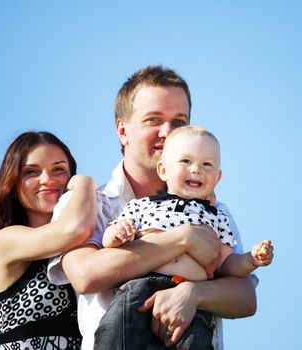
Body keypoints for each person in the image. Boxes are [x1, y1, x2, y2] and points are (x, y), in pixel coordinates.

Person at [48, 66, 258, 350]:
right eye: (154, 119)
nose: (168, 132)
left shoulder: (214, 210)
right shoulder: (89, 204)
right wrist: (182, 238)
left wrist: (192, 294)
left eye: (179, 121)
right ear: (123, 130)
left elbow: (244, 297)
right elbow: (87, 275)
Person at [96, 125, 274, 349]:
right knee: (116, 330)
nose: (196, 169)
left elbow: (228, 265)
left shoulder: (217, 216)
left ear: (217, 177)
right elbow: (109, 242)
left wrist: (251, 260)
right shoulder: (141, 205)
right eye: (186, 161)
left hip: (191, 299)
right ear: (163, 170)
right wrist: (118, 233)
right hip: (139, 288)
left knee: (194, 341)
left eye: (206, 164)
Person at [0, 131, 99, 350]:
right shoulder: (6, 241)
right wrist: (85, 184)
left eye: (58, 170)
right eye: (31, 172)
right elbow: (73, 229)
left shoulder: (91, 246)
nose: (47, 180)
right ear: (13, 183)